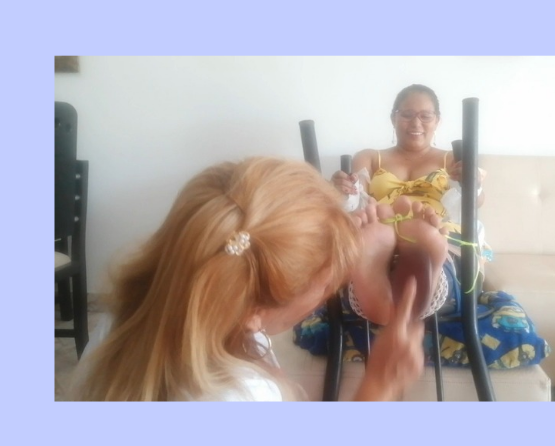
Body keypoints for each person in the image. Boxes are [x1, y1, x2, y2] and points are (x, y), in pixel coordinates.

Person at [73, 158, 425, 401]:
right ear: (254, 312)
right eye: (327, 285)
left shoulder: (122, 318)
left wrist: (324, 236)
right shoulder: (244, 396)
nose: (329, 292)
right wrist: (378, 386)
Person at [293, 85, 547, 368]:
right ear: (393, 117)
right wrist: (343, 190)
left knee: (435, 236)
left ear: (437, 120)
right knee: (372, 229)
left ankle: (406, 278)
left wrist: (469, 182)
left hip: (440, 229)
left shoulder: (455, 158)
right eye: (407, 115)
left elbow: (475, 202)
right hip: (382, 227)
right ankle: (404, 278)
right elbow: (356, 196)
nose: (416, 123)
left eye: (425, 116)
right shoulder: (369, 157)